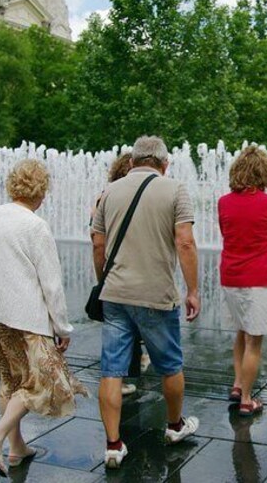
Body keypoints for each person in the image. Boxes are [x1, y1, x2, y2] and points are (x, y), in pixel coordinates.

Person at [0, 159, 86, 478]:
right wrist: (61, 327)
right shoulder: (35, 226)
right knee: (40, 382)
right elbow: (51, 284)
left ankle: (17, 447)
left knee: (10, 380)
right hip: (24, 317)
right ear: (41, 192)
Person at [92, 135, 201, 469]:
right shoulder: (174, 189)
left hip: (115, 294)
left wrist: (103, 282)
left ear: (132, 161)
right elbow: (185, 242)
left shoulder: (109, 191)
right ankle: (174, 426)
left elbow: (98, 243)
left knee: (111, 369)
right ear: (164, 163)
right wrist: (193, 290)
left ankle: (113, 445)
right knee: (170, 364)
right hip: (155, 294)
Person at [218, 145, 267, 416]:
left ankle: (238, 384)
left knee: (240, 329)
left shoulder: (224, 201)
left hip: (231, 275)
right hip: (260, 277)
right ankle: (247, 399)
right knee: (254, 341)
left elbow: (226, 233)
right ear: (264, 173)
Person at [91, 152, 150, 397]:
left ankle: (122, 376)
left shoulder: (103, 197)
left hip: (112, 271)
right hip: (137, 271)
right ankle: (127, 373)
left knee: (117, 329)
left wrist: (101, 274)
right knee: (134, 324)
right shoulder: (141, 197)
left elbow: (96, 240)